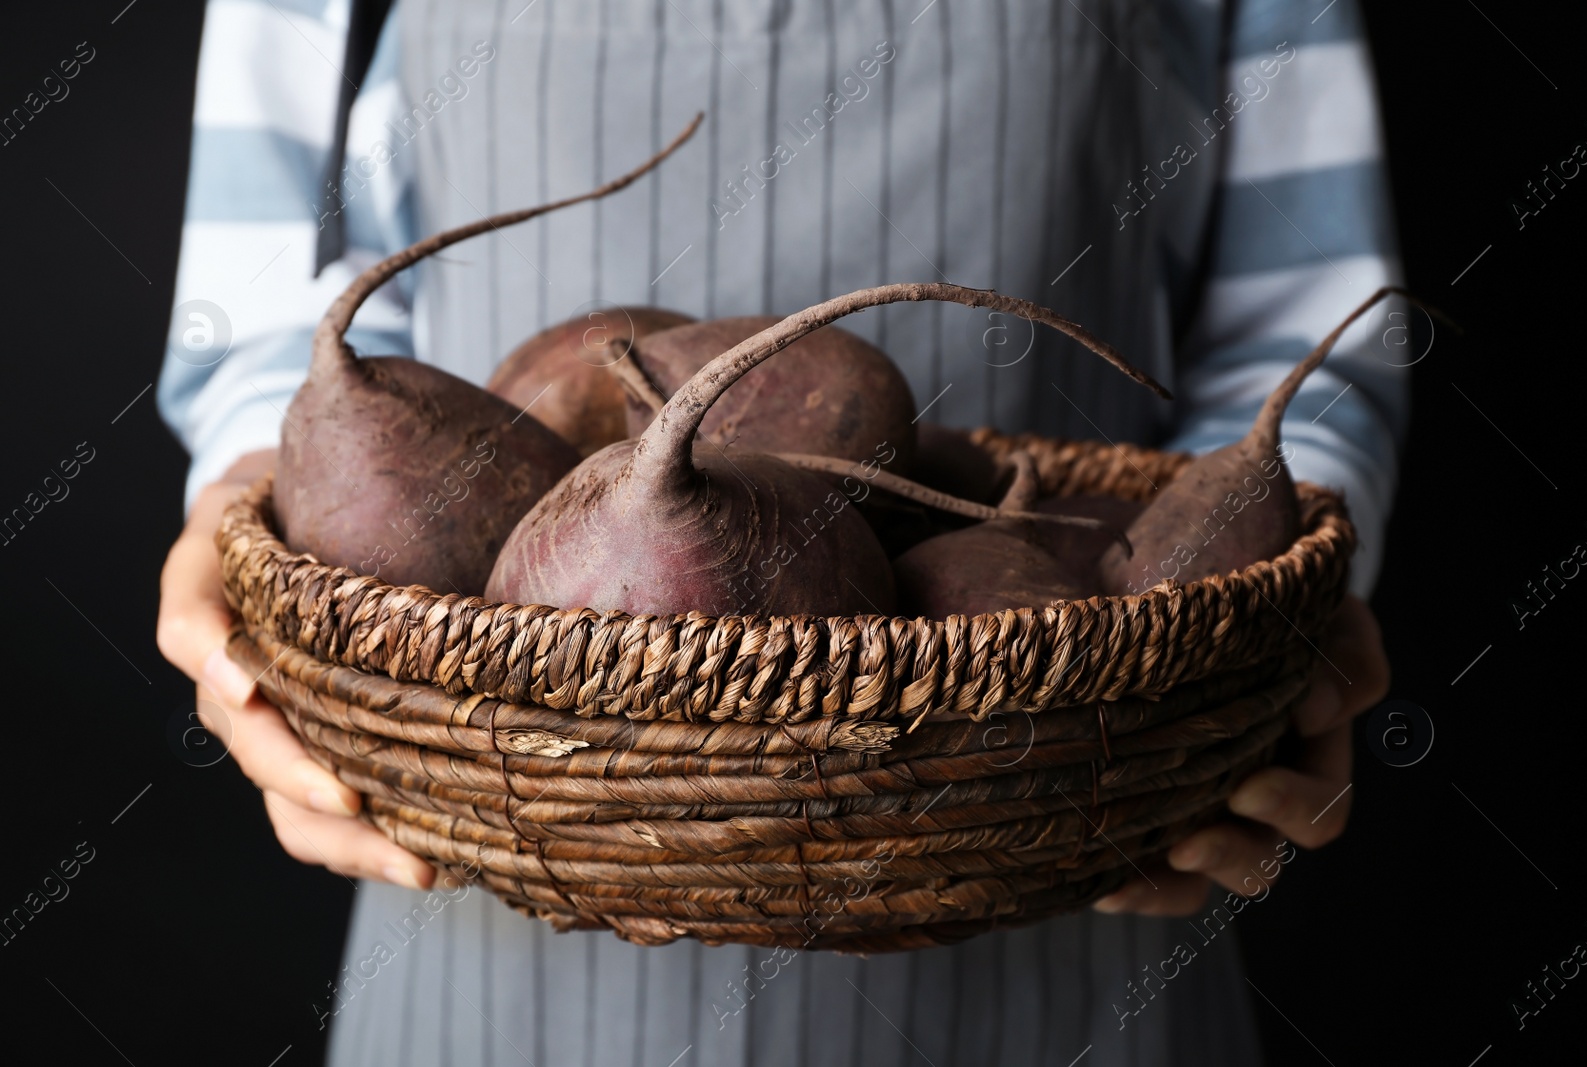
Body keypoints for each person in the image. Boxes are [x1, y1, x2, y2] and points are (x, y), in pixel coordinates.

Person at [156, 1, 1397, 1063]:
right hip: (481, 836)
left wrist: (1276, 633)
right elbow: (266, 287)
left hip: (1079, 811)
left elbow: (1306, 310)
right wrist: (251, 512)